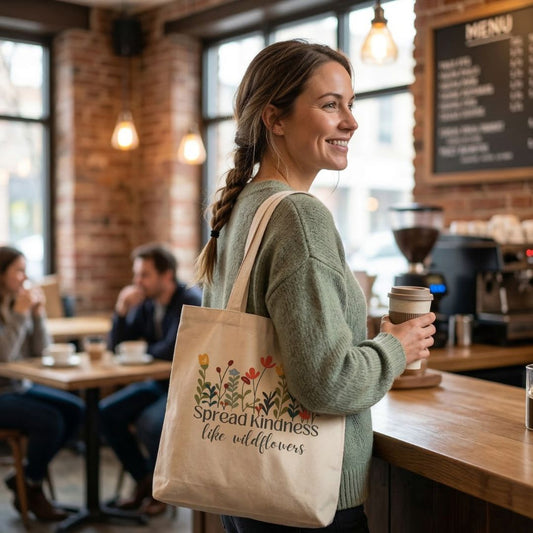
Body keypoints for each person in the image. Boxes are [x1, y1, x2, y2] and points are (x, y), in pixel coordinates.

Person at [196, 40, 436, 533]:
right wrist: (396, 347)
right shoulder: (298, 216)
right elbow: (327, 382)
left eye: (351, 104)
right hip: (304, 494)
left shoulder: (242, 208)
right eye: (331, 105)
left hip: (244, 480)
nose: (351, 121)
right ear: (275, 119)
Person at [99, 242, 202, 516]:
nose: (137, 282)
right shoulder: (147, 304)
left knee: (149, 423)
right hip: (159, 383)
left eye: (144, 275)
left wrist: (144, 349)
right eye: (137, 275)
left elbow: (172, 349)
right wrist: (121, 311)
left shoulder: (190, 299)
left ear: (166, 275)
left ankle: (162, 491)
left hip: (187, 387)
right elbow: (117, 346)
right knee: (106, 413)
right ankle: (144, 480)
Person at [0, 245, 85, 522]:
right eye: (19, 271)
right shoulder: (11, 309)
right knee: (50, 420)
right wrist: (21, 315)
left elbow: (42, 351)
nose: (25, 277)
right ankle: (33, 486)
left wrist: (37, 316)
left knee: (75, 409)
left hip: (19, 387)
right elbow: (3, 357)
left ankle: (25, 478)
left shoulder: (15, 302)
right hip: (3, 392)